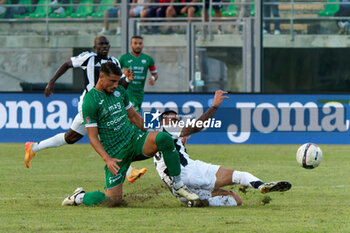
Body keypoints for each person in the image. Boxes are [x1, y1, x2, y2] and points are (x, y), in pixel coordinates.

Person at [61, 62, 199, 207]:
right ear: (101, 77)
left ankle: (178, 185)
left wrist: (156, 132)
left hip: (134, 141)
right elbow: (93, 137)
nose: (116, 85)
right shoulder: (90, 101)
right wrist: (107, 159)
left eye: (117, 81)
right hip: (116, 154)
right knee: (112, 201)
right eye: (112, 81)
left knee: (164, 138)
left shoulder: (119, 91)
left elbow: (135, 118)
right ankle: (79, 197)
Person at [24, 35, 146, 183]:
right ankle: (129, 171)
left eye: (106, 44)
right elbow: (66, 65)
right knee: (106, 131)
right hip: (90, 103)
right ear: (94, 47)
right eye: (100, 44)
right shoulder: (88, 58)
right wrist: (51, 82)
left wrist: (126, 80)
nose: (104, 46)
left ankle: (33, 148)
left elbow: (118, 87)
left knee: (70, 137)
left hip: (105, 104)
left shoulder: (114, 62)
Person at [154, 90, 292, 207]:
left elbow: (166, 158)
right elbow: (197, 126)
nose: (175, 123)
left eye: (177, 120)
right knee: (239, 176)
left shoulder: (155, 140)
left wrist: (181, 144)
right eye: (172, 120)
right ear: (162, 123)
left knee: (237, 199)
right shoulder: (167, 129)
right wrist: (214, 106)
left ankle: (197, 201)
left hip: (179, 189)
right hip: (190, 172)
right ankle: (261, 185)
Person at [118, 35, 158, 113]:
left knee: (134, 115)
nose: (138, 45)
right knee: (134, 114)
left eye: (140, 43)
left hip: (140, 92)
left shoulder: (148, 59)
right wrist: (123, 74)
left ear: (142, 45)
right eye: (135, 43)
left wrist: (153, 78)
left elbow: (155, 74)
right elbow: (114, 73)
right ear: (131, 45)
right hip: (128, 91)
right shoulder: (123, 58)